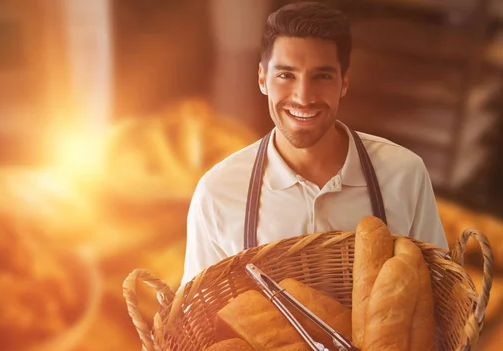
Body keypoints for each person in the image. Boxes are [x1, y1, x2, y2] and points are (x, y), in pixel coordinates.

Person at [180, 1, 448, 287]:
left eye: (322, 76)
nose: (303, 96)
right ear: (262, 78)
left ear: (344, 82)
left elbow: (441, 292)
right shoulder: (218, 193)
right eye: (286, 75)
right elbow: (199, 314)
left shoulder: (404, 175)